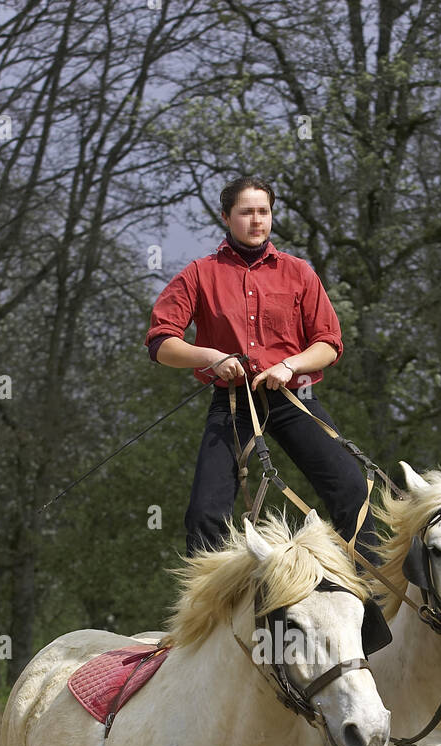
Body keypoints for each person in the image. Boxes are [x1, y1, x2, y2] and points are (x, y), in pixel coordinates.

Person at [145, 175, 379, 560]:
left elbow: (329, 343)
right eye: (246, 212)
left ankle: (371, 606)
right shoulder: (200, 273)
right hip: (232, 403)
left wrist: (289, 365)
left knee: (353, 490)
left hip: (293, 397)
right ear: (226, 217)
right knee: (205, 514)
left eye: (264, 212)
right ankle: (209, 615)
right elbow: (160, 343)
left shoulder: (298, 272)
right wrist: (211, 358)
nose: (257, 220)